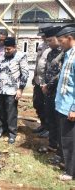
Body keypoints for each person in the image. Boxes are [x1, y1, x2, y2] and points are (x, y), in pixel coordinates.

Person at [0, 37, 29, 144]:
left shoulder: (21, 56)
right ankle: (1, 129)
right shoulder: (1, 56)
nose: (6, 51)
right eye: (5, 49)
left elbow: (25, 74)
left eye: (9, 49)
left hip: (12, 90)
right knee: (0, 111)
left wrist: (20, 89)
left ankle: (12, 133)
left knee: (11, 113)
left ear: (14, 47)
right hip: (0, 89)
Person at [38, 26, 64, 158]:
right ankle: (52, 145)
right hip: (48, 92)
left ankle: (61, 149)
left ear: (57, 39)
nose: (48, 43)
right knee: (50, 119)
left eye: (50, 41)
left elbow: (61, 74)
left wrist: (49, 85)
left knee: (59, 121)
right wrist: (43, 84)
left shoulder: (64, 53)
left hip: (58, 93)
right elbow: (47, 70)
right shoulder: (50, 52)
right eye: (47, 41)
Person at [55, 25, 75, 181]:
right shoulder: (68, 54)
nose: (59, 43)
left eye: (61, 41)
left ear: (70, 38)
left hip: (70, 107)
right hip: (63, 105)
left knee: (70, 141)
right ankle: (67, 164)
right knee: (65, 139)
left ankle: (71, 172)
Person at [32, 24, 53, 138]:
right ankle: (43, 125)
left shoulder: (55, 47)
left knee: (48, 106)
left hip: (46, 82)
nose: (42, 38)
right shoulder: (41, 46)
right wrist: (34, 76)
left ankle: (49, 128)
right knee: (37, 103)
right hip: (37, 81)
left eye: (44, 35)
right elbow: (38, 62)